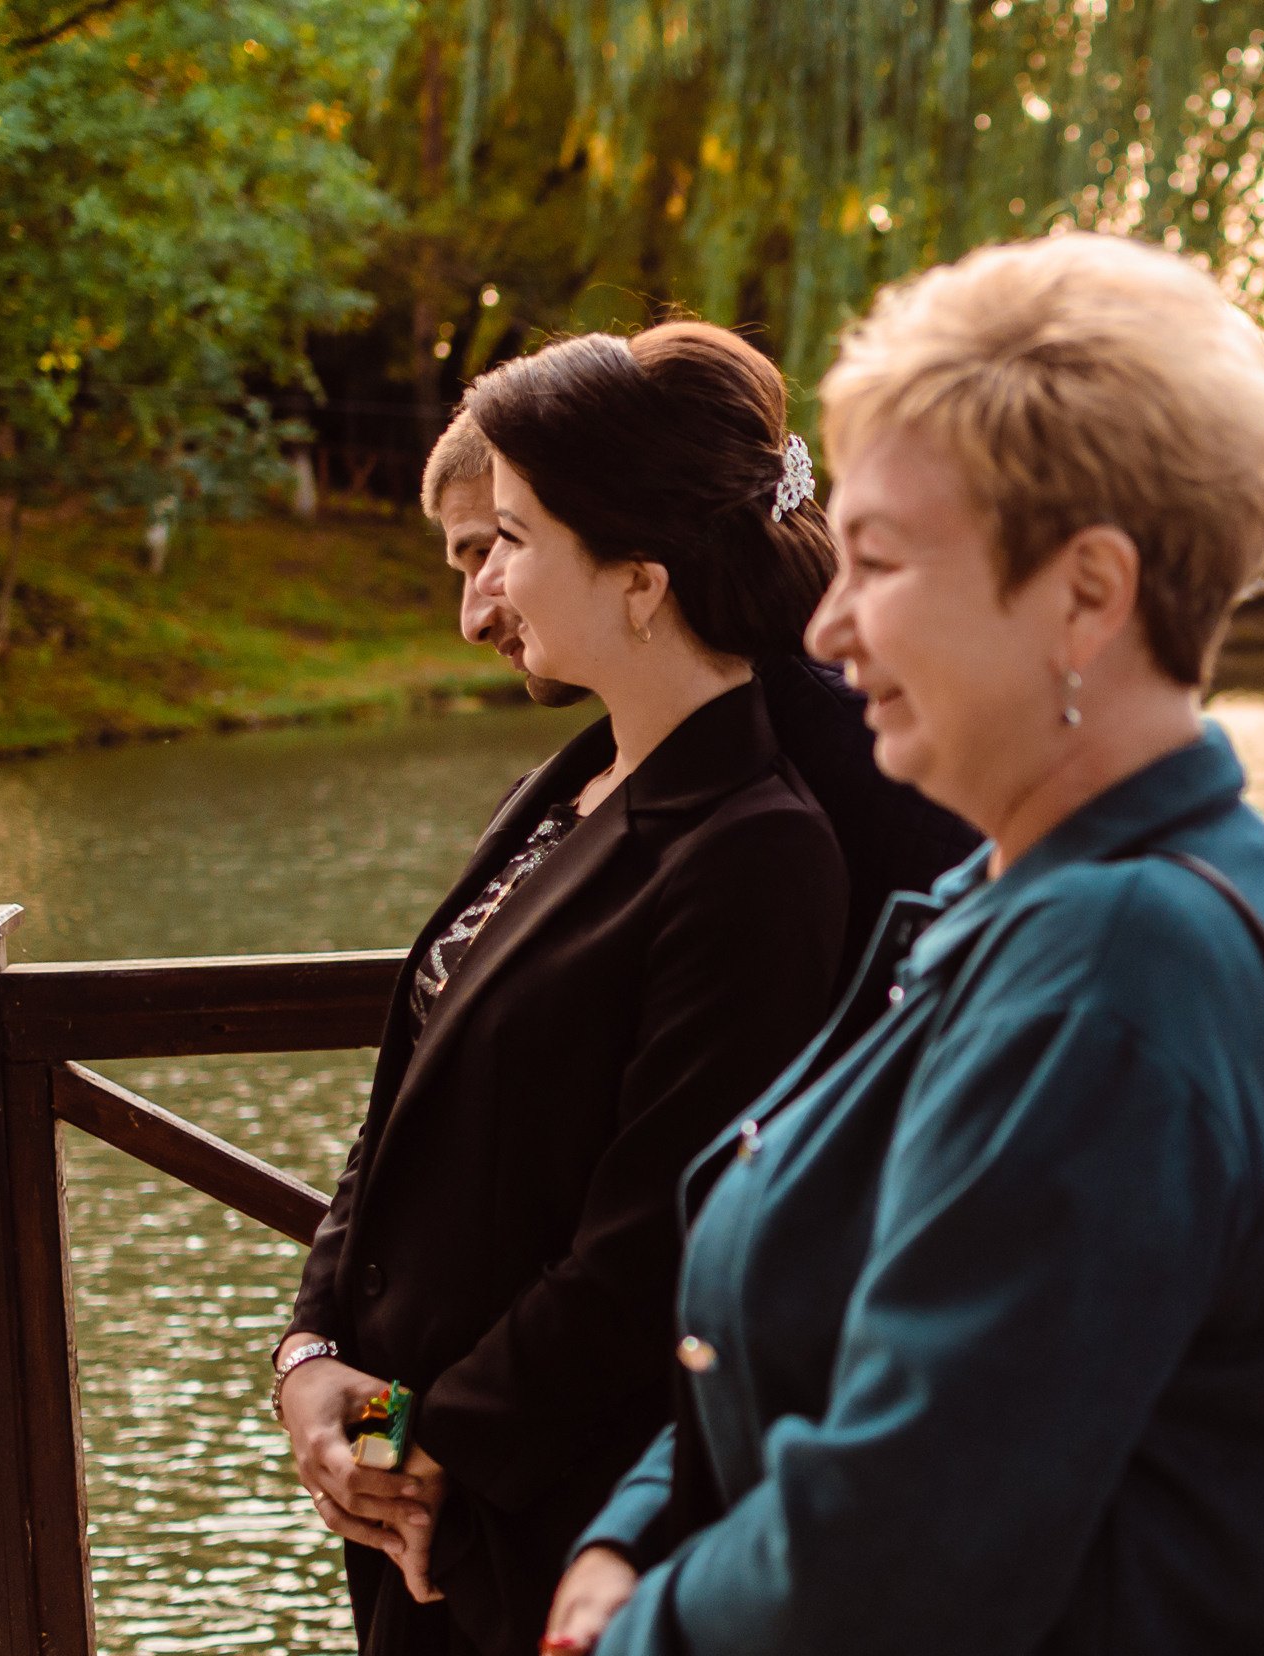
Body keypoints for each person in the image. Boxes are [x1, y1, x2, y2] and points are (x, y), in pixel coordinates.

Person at [540, 233, 1264, 1656]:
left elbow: (903, 1540)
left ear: (1087, 597)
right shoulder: (1018, 891)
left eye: (878, 563)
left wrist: (629, 1635)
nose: (833, 627)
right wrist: (634, 1529)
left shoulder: (1114, 963)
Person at [273, 322, 856, 1656]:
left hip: (533, 1525)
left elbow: (649, 1251)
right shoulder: (568, 786)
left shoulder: (755, 847)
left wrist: (410, 1445)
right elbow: (398, 1107)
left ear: (639, 580)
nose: (485, 594)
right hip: (412, 1493)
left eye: (515, 541)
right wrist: (314, 1366)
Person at [417, 407, 978, 963]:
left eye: (501, 543)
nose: (474, 619)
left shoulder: (845, 753)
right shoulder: (578, 776)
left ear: (621, 533)